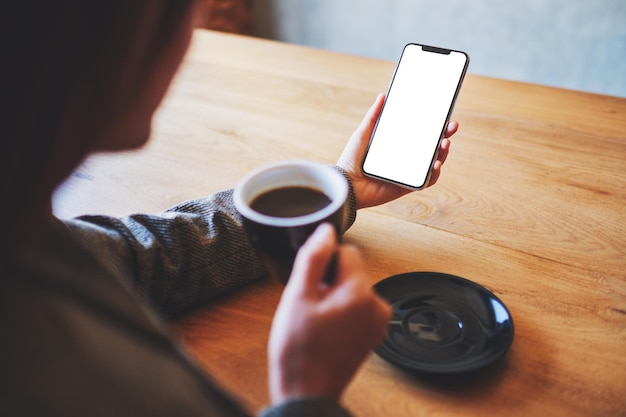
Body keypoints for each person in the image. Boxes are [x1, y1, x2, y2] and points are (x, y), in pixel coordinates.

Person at [0, 1, 458, 416]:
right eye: (184, 14)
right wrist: (307, 395)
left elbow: (149, 256)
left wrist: (340, 189)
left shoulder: (24, 231)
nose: (193, 35)